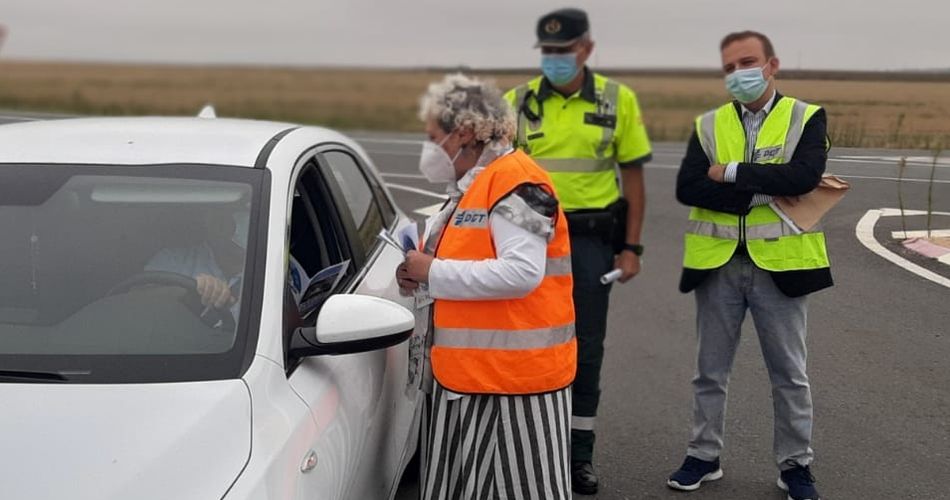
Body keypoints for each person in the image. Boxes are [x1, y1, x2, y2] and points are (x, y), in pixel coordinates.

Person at [667, 31, 832, 500]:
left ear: (771, 64)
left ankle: (795, 466)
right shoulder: (709, 124)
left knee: (789, 374)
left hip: (780, 266)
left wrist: (734, 173)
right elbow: (689, 188)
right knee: (709, 371)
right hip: (717, 264)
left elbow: (804, 177)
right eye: (729, 67)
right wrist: (759, 195)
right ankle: (703, 455)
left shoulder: (805, 117)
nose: (738, 73)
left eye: (747, 61)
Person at [396, 73, 576, 500]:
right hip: (470, 379)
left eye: (432, 136)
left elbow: (521, 273)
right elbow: (464, 259)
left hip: (513, 388)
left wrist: (432, 272)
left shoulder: (518, 184)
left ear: (464, 133)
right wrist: (418, 278)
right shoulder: (474, 184)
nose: (429, 148)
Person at [503, 7, 652, 494]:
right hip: (530, 240)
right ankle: (524, 447)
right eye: (547, 52)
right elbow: (498, 177)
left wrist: (630, 247)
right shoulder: (517, 101)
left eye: (563, 50)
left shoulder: (616, 99)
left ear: (586, 49)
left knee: (585, 349)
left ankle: (576, 455)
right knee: (524, 343)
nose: (555, 59)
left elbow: (633, 176)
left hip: (590, 241)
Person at [146, 206, 249, 322]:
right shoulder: (173, 260)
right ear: (210, 220)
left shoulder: (270, 275)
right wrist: (190, 292)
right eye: (224, 217)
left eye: (246, 211)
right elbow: (136, 300)